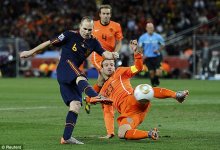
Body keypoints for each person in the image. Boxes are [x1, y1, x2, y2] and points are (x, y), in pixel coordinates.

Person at [20, 16, 118, 145]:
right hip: (65, 67)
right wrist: (31, 52)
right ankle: (94, 96)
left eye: (90, 29)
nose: (87, 32)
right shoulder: (69, 35)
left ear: (93, 29)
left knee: (75, 105)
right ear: (80, 27)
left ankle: (66, 138)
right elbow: (49, 43)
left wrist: (112, 55)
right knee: (80, 75)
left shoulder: (94, 42)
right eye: (85, 29)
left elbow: (105, 54)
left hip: (71, 75)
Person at [90, 39, 189, 140]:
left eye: (112, 64)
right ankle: (149, 134)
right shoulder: (103, 91)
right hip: (130, 114)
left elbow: (138, 67)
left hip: (134, 100)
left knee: (143, 90)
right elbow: (108, 112)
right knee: (122, 133)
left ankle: (176, 95)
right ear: (101, 69)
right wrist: (110, 132)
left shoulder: (120, 71)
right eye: (106, 65)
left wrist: (137, 52)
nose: (110, 67)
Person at [85, 4, 123, 139]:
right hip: (98, 56)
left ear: (110, 15)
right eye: (104, 13)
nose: (106, 16)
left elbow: (119, 42)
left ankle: (90, 99)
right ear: (99, 15)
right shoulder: (93, 25)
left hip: (110, 56)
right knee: (107, 76)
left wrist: (115, 53)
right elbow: (86, 38)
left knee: (102, 81)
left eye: (108, 14)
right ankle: (102, 100)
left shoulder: (116, 26)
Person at [138, 22, 165, 87]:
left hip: (157, 56)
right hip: (148, 57)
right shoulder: (142, 37)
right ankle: (154, 85)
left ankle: (156, 81)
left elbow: (163, 44)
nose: (150, 29)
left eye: (151, 27)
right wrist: (142, 55)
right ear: (146, 28)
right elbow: (140, 47)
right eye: (149, 28)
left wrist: (158, 50)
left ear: (153, 28)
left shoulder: (158, 36)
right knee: (151, 73)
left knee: (159, 73)